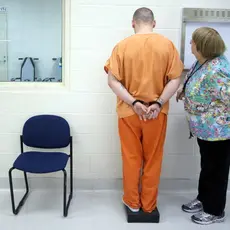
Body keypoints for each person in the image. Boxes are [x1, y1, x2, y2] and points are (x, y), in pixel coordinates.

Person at [104, 7, 183, 214]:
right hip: (156, 114)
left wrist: (134, 102)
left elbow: (112, 82)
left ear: (133, 23)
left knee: (131, 158)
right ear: (154, 23)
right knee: (153, 159)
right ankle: (149, 204)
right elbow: (176, 78)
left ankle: (132, 202)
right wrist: (157, 103)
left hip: (129, 113)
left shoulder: (121, 47)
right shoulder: (167, 46)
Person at [177, 27, 230, 225]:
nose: (190, 43)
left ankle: (215, 211)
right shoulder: (202, 62)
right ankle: (204, 199)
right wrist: (184, 90)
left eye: (192, 41)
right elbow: (194, 80)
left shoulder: (219, 70)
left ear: (200, 47)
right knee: (207, 167)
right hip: (205, 131)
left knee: (216, 170)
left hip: (219, 132)